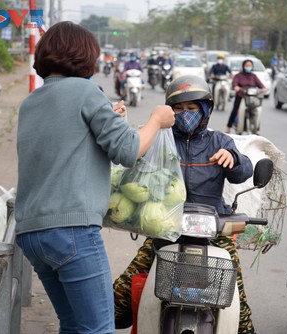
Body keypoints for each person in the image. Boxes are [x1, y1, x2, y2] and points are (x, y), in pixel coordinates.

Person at [14, 21, 175, 333]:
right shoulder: (86, 90)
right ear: (84, 56)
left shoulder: (30, 101)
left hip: (31, 233)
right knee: (98, 328)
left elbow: (64, 143)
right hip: (71, 231)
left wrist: (110, 121)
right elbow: (129, 150)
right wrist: (157, 119)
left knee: (73, 324)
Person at [113, 75, 257, 334]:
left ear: (205, 111)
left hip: (213, 231)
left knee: (239, 305)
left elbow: (244, 171)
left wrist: (233, 158)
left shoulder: (219, 142)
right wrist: (120, 124)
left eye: (192, 109)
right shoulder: (159, 139)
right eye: (178, 109)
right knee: (120, 294)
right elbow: (131, 165)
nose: (184, 114)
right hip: (166, 229)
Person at [226, 59, 268, 134]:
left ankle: (257, 128)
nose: (248, 67)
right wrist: (236, 87)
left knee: (257, 110)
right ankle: (229, 126)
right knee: (235, 110)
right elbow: (234, 83)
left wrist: (264, 89)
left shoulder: (254, 76)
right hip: (241, 96)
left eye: (250, 65)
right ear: (243, 66)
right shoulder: (238, 76)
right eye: (247, 65)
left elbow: (261, 85)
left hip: (252, 97)